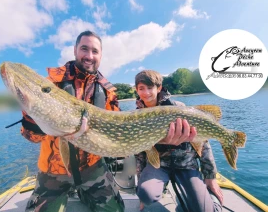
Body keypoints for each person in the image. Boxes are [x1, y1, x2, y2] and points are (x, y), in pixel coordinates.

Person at [20, 31, 196, 212]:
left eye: (94, 51)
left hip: (92, 168)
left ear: (100, 55)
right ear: (75, 50)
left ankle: (83, 191)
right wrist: (30, 113)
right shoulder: (51, 83)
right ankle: (74, 191)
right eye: (84, 49)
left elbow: (120, 139)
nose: (89, 56)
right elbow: (31, 137)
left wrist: (161, 140)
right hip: (53, 170)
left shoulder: (108, 91)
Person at [134, 70, 223, 212]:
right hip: (158, 166)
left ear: (159, 88)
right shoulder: (136, 117)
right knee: (145, 193)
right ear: (137, 90)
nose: (146, 93)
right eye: (141, 88)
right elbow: (139, 154)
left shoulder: (178, 108)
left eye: (150, 88)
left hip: (186, 164)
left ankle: (207, 198)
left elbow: (203, 143)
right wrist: (141, 191)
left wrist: (210, 176)